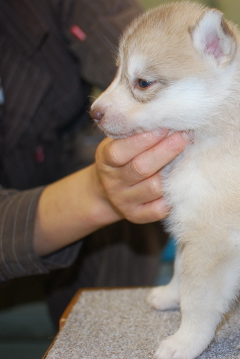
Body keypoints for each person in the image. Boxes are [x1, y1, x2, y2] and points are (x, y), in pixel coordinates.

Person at [0, 0, 185, 325]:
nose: (98, 106)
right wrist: (100, 192)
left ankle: (112, 335)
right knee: (135, 179)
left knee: (141, 173)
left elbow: (152, 57)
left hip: (68, 154)